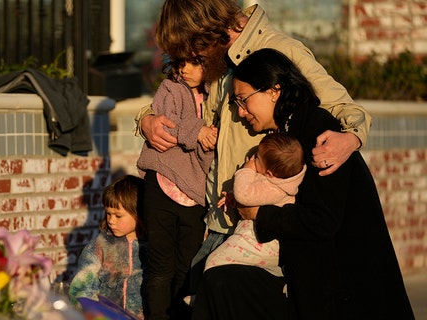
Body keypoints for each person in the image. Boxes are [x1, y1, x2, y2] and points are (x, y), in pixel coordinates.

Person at [134, 0, 372, 295]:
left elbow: (342, 106)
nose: (192, 60)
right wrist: (146, 119)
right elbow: (185, 108)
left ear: (207, 31)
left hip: (259, 225)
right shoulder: (219, 62)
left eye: (193, 51)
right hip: (218, 218)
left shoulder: (282, 51)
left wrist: (352, 137)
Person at [192, 48, 414, 320]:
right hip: (324, 287)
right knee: (220, 283)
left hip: (348, 293)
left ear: (274, 91)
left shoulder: (317, 133)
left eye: (243, 100)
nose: (240, 113)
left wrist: (259, 214)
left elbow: (321, 218)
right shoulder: (291, 131)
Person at [136, 57, 217, 319]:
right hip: (162, 183)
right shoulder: (170, 87)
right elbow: (166, 124)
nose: (184, 69)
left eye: (194, 63)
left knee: (187, 267)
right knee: (160, 267)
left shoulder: (218, 91)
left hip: (196, 193)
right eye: (181, 62)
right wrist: (198, 130)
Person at [205, 133, 306, 278]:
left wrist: (247, 170)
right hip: (253, 238)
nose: (252, 158)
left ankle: (203, 298)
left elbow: (244, 194)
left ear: (269, 173)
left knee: (215, 262)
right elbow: (251, 196)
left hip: (259, 242)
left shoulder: (276, 188)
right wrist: (233, 198)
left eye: (257, 157)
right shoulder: (275, 181)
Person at [68, 174, 147, 319]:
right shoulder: (100, 245)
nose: (111, 220)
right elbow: (81, 288)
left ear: (138, 213)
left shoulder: (153, 246)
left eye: (118, 215)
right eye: (108, 214)